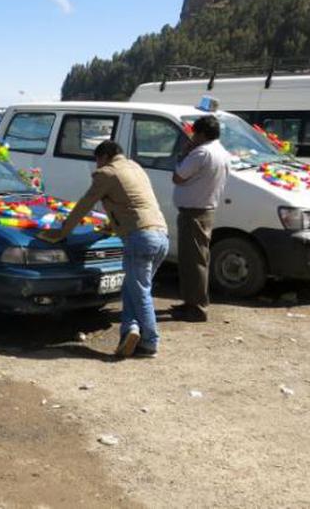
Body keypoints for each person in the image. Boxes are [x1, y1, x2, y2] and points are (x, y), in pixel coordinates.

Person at [39, 141, 168, 358]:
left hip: (140, 237)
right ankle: (130, 331)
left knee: (140, 291)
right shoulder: (135, 167)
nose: (96, 166)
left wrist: (62, 232)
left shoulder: (107, 173)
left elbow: (84, 204)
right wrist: (110, 227)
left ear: (105, 156)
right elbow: (131, 203)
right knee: (132, 289)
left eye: (97, 160)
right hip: (161, 236)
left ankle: (150, 342)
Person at [171, 115, 231, 322]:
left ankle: (196, 307)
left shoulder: (200, 153)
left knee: (193, 261)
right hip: (204, 210)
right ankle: (191, 301)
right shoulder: (221, 152)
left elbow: (178, 177)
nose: (192, 137)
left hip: (194, 212)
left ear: (202, 134)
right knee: (195, 259)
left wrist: (183, 153)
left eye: (195, 133)